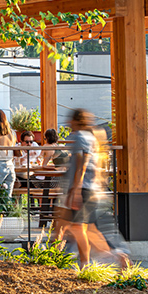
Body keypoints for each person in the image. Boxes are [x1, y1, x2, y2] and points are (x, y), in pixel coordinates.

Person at [52, 109, 126, 267]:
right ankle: (53, 262)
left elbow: (82, 165)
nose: (68, 122)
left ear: (76, 121)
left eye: (70, 120)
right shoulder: (90, 137)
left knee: (78, 229)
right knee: (62, 227)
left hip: (81, 189)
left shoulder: (80, 137)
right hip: (83, 189)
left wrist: (75, 191)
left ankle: (86, 264)